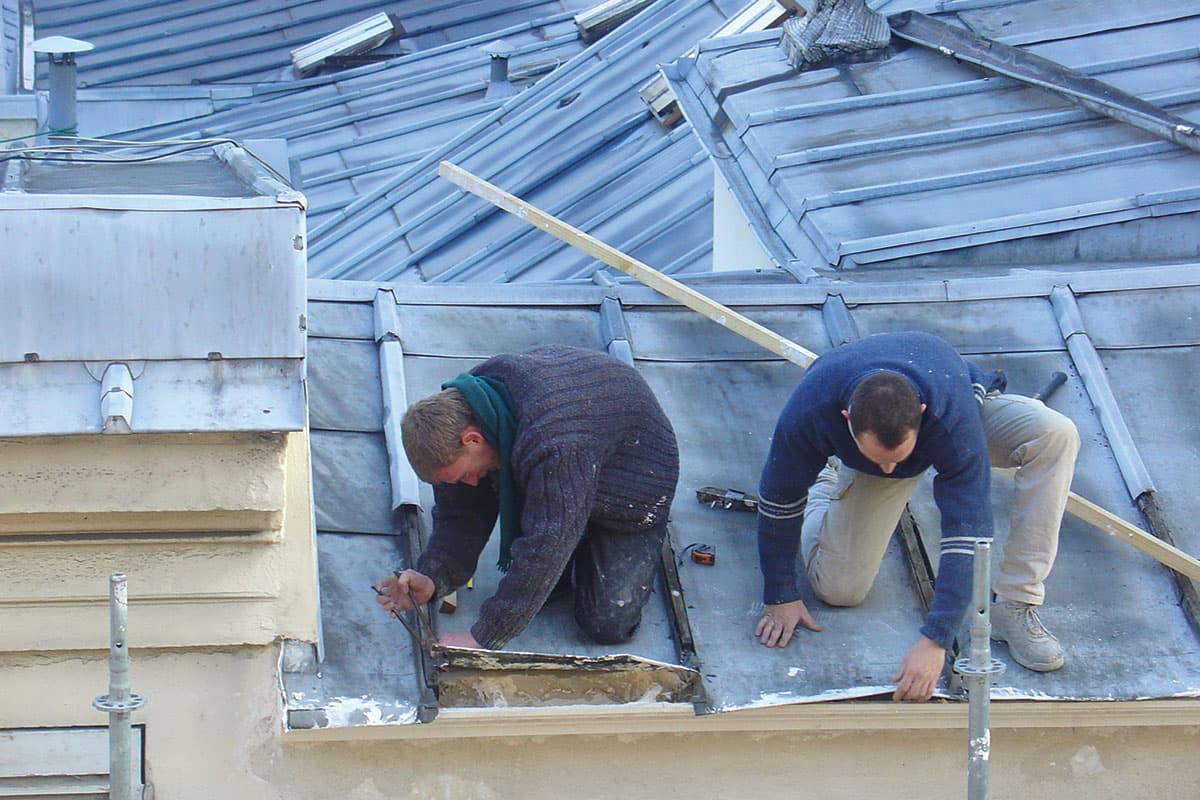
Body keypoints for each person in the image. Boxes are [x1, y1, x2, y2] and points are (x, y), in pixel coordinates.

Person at [754, 331, 1080, 701]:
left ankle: (1017, 603)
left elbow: (968, 529)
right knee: (839, 589)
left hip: (951, 401)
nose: (891, 468)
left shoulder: (950, 415)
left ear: (922, 415)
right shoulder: (811, 408)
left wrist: (936, 639)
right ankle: (829, 485)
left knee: (1055, 433)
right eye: (882, 458)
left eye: (896, 456)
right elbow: (779, 499)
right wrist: (779, 593)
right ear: (846, 419)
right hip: (860, 450)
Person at [375, 344, 679, 651]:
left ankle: (589, 532)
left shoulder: (554, 443)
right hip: (569, 466)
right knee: (545, 586)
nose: (468, 483)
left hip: (629, 490)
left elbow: (547, 545)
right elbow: (461, 514)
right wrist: (431, 577)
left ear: (472, 439)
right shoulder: (465, 413)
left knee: (606, 622)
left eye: (463, 475)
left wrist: (484, 636)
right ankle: (569, 518)